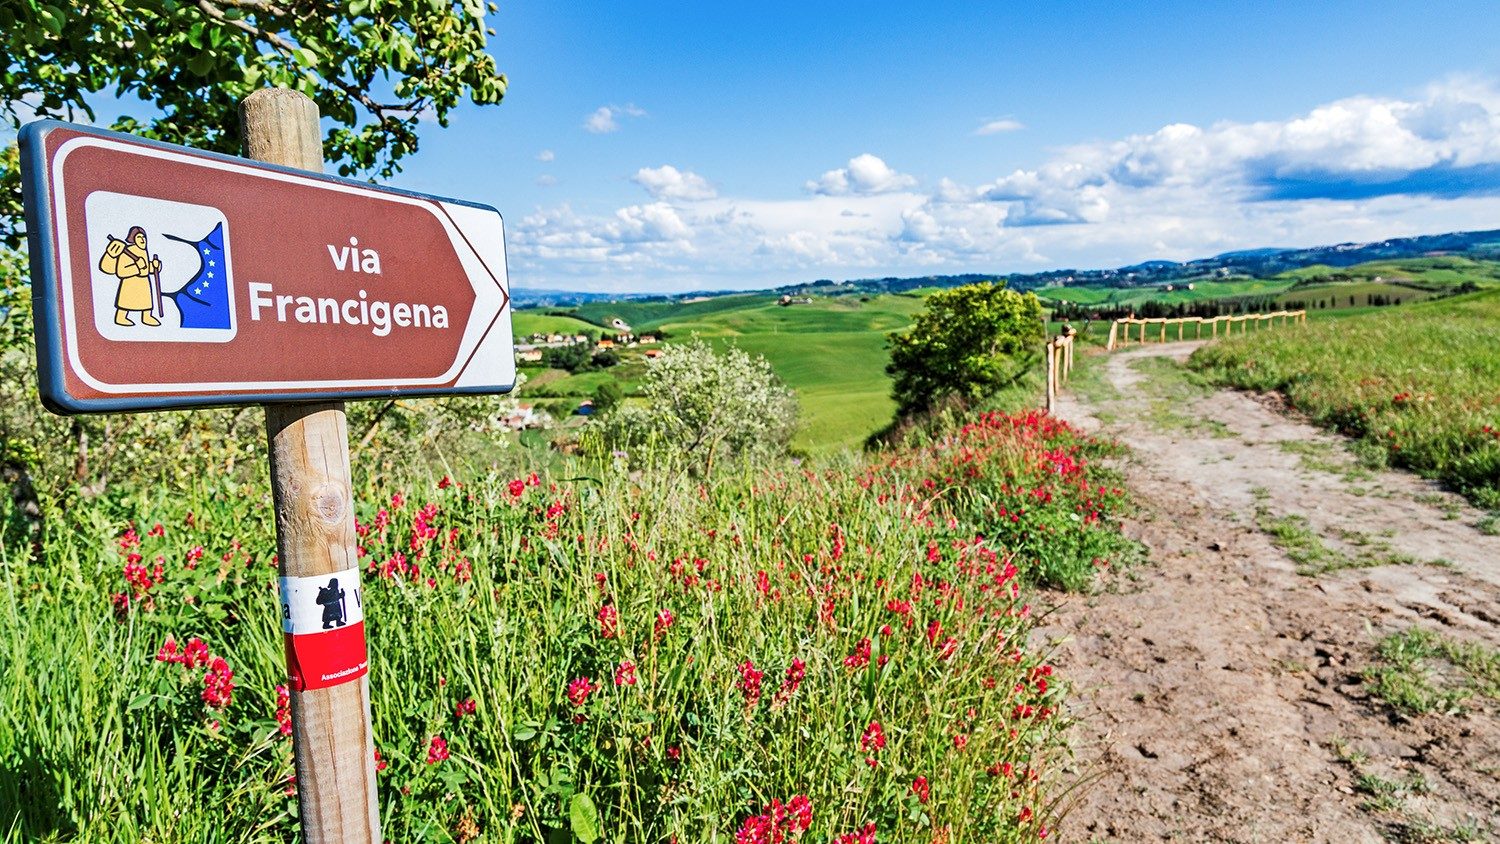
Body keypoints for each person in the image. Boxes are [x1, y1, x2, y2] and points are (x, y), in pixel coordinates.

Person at [98, 226, 161, 326]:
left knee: (146, 302)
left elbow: (145, 267)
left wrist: (154, 266)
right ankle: (120, 317)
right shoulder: (127, 252)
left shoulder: (144, 251)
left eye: (143, 237)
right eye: (139, 237)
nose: (142, 240)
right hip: (130, 283)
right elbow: (121, 271)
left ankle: (146, 316)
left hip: (143, 283)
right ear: (133, 239)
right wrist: (137, 267)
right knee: (126, 302)